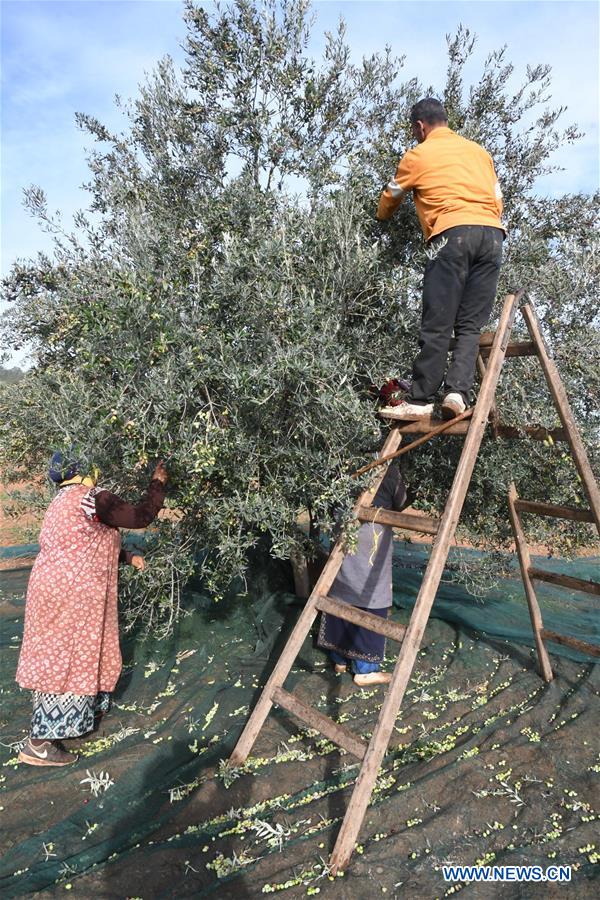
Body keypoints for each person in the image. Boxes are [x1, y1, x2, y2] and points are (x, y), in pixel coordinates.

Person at [16, 452, 168, 767]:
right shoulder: (90, 498)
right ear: (85, 471)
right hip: (73, 595)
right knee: (67, 657)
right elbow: (139, 518)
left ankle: (80, 714)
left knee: (62, 654)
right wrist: (158, 484)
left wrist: (126, 557)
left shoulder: (61, 500)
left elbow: (81, 542)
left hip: (51, 589)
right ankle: (40, 743)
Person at [376, 97, 505, 421]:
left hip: (451, 234)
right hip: (492, 236)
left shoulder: (418, 155)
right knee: (470, 325)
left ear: (420, 127)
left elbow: (391, 197)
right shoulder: (479, 152)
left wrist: (380, 218)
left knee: (437, 323)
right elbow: (498, 200)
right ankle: (457, 394)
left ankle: (420, 401)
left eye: (414, 130)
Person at [317, 464, 407, 686]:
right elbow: (401, 502)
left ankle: (339, 658)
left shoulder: (341, 458)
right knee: (371, 592)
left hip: (344, 528)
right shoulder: (388, 467)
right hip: (372, 531)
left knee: (341, 584)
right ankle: (364, 670)